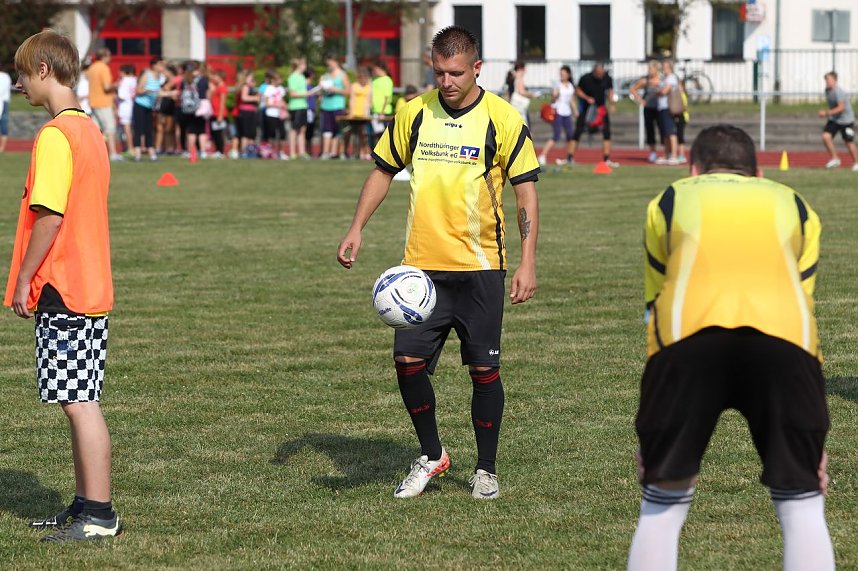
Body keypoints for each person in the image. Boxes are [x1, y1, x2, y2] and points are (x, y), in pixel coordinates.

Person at [337, 25, 540, 501]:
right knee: (407, 363)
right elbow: (383, 170)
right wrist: (356, 227)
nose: (446, 81)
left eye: (455, 73)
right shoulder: (414, 113)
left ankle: (485, 469)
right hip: (420, 272)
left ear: (476, 69)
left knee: (483, 371)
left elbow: (526, 192)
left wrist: (527, 261)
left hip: (481, 268)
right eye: (438, 72)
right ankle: (433, 455)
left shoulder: (502, 118)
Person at [627, 124, 834, 570]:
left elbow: (656, 302)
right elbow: (804, 299)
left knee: (662, 502)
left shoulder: (669, 199)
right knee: (802, 502)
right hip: (785, 342)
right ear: (758, 174)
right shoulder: (795, 204)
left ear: (693, 167)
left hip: (687, 342)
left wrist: (653, 417)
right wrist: (814, 426)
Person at [6, 29, 121, 542]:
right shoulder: (89, 129)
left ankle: (99, 514)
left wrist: (26, 276)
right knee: (79, 396)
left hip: (65, 283)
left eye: (23, 74)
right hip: (90, 279)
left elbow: (49, 216)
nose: (19, 85)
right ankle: (84, 505)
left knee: (79, 402)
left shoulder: (55, 135)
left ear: (45, 70)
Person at [565, 62, 617, 167]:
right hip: (586, 108)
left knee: (607, 132)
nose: (600, 76)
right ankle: (569, 157)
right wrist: (587, 98)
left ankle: (606, 158)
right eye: (598, 73)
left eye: (601, 73)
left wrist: (611, 104)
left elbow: (610, 91)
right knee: (577, 132)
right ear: (594, 71)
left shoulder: (607, 78)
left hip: (601, 108)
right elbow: (578, 91)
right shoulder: (585, 78)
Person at [818, 71, 858, 171]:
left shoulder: (839, 92)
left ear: (835, 80)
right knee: (826, 136)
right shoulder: (827, 90)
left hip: (846, 120)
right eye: (826, 80)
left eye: (829, 79)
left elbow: (841, 108)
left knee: (849, 142)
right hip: (835, 119)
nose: (827, 82)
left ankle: (857, 163)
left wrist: (826, 113)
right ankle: (835, 158)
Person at [87, 47, 122, 160]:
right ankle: (113, 153)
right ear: (104, 56)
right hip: (104, 102)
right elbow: (107, 87)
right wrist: (116, 85)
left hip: (93, 101)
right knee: (110, 128)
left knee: (96, 130)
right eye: (109, 56)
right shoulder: (103, 68)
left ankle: (93, 153)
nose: (110, 58)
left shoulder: (92, 68)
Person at [631, 61, 668, 164]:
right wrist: (640, 100)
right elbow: (633, 88)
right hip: (649, 108)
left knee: (663, 130)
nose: (649, 71)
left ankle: (666, 152)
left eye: (651, 69)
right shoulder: (645, 80)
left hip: (660, 108)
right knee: (650, 130)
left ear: (656, 70)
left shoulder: (662, 80)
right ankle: (652, 152)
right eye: (648, 69)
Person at [538, 65, 577, 166]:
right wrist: (555, 95)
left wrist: (575, 111)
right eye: (561, 74)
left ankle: (569, 157)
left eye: (564, 74)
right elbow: (553, 98)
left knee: (570, 135)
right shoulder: (557, 85)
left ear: (568, 75)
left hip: (567, 113)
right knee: (556, 135)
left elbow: (571, 100)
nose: (562, 76)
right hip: (558, 112)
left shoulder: (570, 86)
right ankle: (542, 155)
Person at [130, 57, 164, 162]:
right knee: (139, 130)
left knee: (149, 130)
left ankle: (152, 154)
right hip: (140, 105)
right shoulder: (146, 75)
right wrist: (147, 90)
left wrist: (171, 94)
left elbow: (159, 92)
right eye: (160, 65)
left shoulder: (158, 77)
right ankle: (137, 154)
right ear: (154, 65)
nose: (162, 67)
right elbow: (138, 90)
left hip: (149, 107)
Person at [319, 54, 350, 159]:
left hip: (337, 106)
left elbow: (347, 91)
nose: (329, 65)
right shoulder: (325, 75)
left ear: (336, 62)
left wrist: (336, 89)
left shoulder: (342, 75)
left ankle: (336, 152)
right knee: (326, 130)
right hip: (326, 106)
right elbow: (320, 90)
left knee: (338, 130)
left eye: (331, 62)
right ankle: (325, 152)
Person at [287, 58, 312, 159]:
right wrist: (306, 94)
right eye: (303, 64)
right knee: (294, 129)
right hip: (295, 106)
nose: (305, 66)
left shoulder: (302, 77)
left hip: (303, 106)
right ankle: (292, 152)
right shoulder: (292, 77)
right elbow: (293, 93)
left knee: (302, 129)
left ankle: (302, 152)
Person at [263, 71, 289, 160]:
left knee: (282, 133)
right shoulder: (269, 89)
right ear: (273, 80)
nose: (280, 81)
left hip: (280, 114)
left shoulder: (281, 89)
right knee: (272, 134)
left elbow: (282, 100)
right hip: (271, 114)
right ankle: (272, 152)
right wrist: (276, 105)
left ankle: (281, 152)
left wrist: (285, 107)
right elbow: (266, 103)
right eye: (279, 79)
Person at [347, 67, 372, 160]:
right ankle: (356, 152)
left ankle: (365, 151)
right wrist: (351, 111)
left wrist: (366, 112)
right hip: (355, 112)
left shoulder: (369, 87)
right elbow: (352, 99)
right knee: (355, 134)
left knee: (364, 134)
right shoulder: (354, 86)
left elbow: (368, 101)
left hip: (364, 113)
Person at [369, 59, 394, 147]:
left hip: (384, 112)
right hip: (375, 111)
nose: (374, 71)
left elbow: (387, 98)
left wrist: (382, 112)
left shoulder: (387, 80)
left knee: (384, 135)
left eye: (375, 69)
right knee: (376, 134)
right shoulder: (374, 81)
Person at [509, 61, 538, 126]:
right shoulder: (520, 78)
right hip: (519, 103)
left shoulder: (514, 76)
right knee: (522, 122)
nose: (525, 71)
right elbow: (521, 91)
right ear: (521, 69)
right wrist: (532, 95)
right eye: (524, 69)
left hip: (514, 101)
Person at [116, 64, 137, 154]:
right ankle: (132, 146)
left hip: (125, 106)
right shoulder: (135, 80)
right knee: (131, 128)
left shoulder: (124, 81)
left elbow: (121, 95)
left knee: (126, 128)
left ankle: (130, 147)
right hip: (133, 105)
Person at [209, 69, 228, 158]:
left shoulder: (222, 87)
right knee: (214, 133)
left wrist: (220, 115)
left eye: (216, 76)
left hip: (219, 114)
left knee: (219, 133)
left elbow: (222, 102)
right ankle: (216, 150)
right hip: (214, 113)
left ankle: (220, 151)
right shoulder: (216, 87)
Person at [0, 67, 11, 153]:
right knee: (4, 124)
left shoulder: (4, 76)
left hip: (3, 101)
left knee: (3, 124)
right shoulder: (6, 76)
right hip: (5, 101)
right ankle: (2, 148)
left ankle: (2, 148)